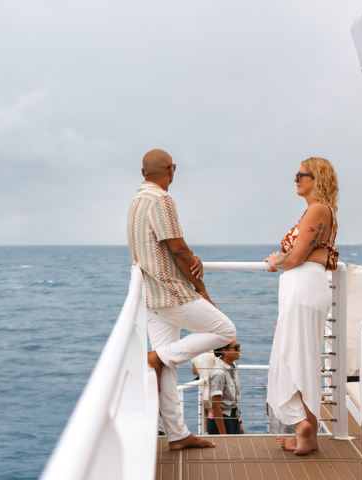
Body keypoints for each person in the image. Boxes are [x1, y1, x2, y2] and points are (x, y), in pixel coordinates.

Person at [127, 149, 236, 450]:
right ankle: (156, 357)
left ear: (142, 173)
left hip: (150, 298)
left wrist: (190, 256)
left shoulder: (137, 202)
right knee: (226, 331)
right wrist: (201, 288)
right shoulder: (162, 199)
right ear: (171, 170)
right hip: (172, 294)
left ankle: (176, 435)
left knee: (170, 366)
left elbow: (168, 249)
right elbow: (177, 248)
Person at [264, 157, 339, 455]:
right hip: (307, 288)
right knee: (301, 357)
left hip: (303, 287)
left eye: (300, 175)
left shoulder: (317, 209)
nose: (295, 179)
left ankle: (300, 425)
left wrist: (274, 262)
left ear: (315, 178)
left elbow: (295, 258)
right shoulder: (324, 211)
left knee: (289, 358)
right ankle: (309, 434)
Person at [207, 340, 244, 435]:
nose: (239, 349)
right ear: (225, 351)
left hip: (233, 419)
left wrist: (239, 423)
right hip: (222, 422)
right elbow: (216, 406)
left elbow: (234, 402)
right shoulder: (219, 373)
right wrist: (223, 435)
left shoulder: (233, 367)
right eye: (236, 347)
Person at [192, 351, 216, 431]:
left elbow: (195, 371)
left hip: (204, 394)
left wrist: (204, 372)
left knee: (208, 428)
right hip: (215, 394)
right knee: (218, 427)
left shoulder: (194, 352)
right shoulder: (215, 351)